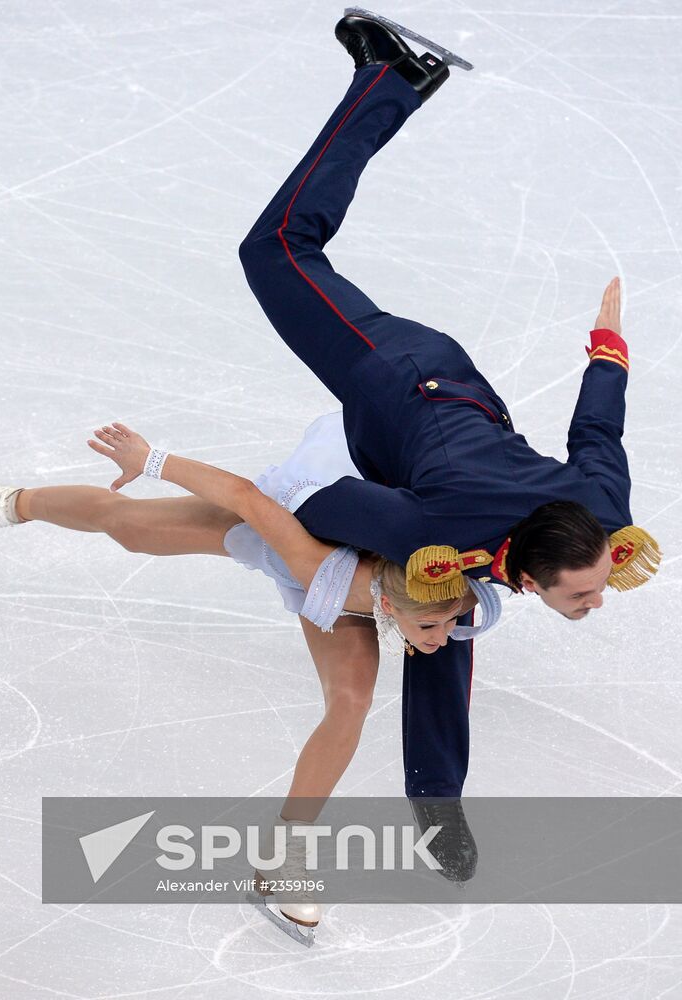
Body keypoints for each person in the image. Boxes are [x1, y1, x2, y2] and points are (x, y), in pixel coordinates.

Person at [235, 10, 662, 840]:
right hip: (396, 378)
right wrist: (387, 581)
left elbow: (598, 438)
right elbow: (320, 502)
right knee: (280, 249)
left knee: (446, 616)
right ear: (530, 581)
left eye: (593, 586)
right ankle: (391, 78)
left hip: (453, 421)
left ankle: (436, 804)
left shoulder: (597, 518)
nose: (602, 594)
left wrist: (609, 354)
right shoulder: (436, 526)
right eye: (589, 590)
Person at [0, 407, 501, 930]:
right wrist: (151, 457)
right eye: (432, 628)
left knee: (349, 703)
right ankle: (7, 502)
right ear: (390, 605)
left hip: (364, 555)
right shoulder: (312, 558)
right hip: (292, 528)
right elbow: (244, 496)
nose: (442, 639)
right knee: (127, 526)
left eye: (448, 624)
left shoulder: (444, 583)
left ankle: (282, 856)